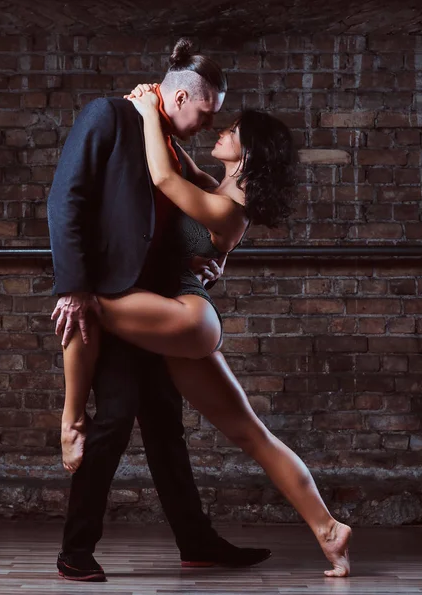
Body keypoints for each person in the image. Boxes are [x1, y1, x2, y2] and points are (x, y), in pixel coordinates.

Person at [54, 79, 352, 578]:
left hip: (188, 314)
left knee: (84, 303)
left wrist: (149, 110)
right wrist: (162, 116)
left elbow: (166, 179)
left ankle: (68, 423)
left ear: (248, 152)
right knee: (249, 434)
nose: (219, 129)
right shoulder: (225, 188)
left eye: (230, 129)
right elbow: (181, 173)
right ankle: (328, 529)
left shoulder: (228, 203)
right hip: (176, 315)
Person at [47, 39, 272, 583]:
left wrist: (202, 262)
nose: (205, 124)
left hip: (155, 306)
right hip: (111, 300)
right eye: (203, 112)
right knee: (118, 416)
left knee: (166, 426)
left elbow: (181, 217)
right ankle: (75, 549)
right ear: (178, 96)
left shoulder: (169, 143)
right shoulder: (111, 116)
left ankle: (196, 542)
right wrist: (74, 287)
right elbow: (65, 198)